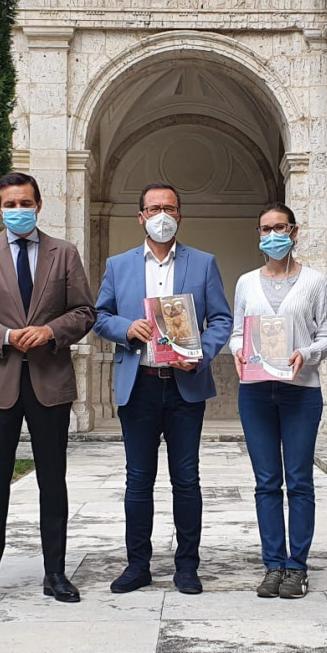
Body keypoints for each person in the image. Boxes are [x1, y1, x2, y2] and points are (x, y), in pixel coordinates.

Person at [0, 172, 96, 609]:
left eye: (26, 203)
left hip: (49, 381)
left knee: (53, 481)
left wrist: (51, 331)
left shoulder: (64, 253)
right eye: (10, 204)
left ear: (40, 205)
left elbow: (84, 311)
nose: (19, 210)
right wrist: (7, 337)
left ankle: (55, 572)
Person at [93, 183, 233, 595]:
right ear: (140, 217)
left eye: (169, 208)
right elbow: (99, 315)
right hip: (139, 385)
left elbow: (221, 319)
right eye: (153, 208)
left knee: (186, 479)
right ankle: (137, 565)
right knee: (138, 480)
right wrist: (125, 328)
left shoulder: (203, 264)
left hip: (184, 387)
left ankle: (187, 566)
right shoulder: (118, 265)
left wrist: (202, 352)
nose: (161, 215)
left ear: (179, 216)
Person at [230, 203, 327, 599]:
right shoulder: (245, 283)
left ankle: (297, 566)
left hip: (301, 390)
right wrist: (238, 351)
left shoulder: (315, 281)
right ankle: (273, 564)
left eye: (280, 228)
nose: (273, 235)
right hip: (255, 391)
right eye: (265, 229)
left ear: (294, 231)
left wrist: (304, 354)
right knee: (266, 482)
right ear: (258, 236)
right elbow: (239, 332)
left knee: (299, 480)